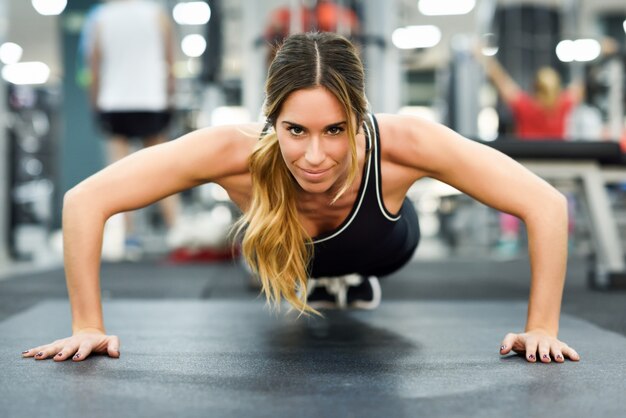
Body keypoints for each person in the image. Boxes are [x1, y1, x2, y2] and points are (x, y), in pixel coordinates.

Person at [22, 32, 579, 364]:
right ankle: (313, 278)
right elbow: (83, 201)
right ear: (272, 120)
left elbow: (545, 205)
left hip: (382, 247)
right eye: (295, 131)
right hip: (283, 251)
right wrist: (88, 325)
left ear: (360, 119)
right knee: (267, 248)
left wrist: (542, 328)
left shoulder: (407, 143)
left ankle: (344, 281)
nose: (315, 155)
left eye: (335, 130)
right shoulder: (229, 150)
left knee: (358, 251)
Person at [88, 0, 180, 250]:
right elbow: (170, 59)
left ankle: (130, 237)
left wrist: (95, 101)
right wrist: (171, 95)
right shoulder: (156, 14)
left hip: (115, 102)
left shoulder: (101, 16)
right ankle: (176, 232)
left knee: (119, 172)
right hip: (151, 100)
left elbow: (94, 64)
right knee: (164, 170)